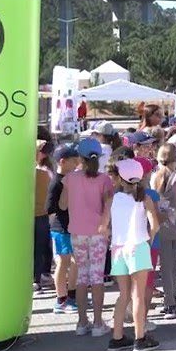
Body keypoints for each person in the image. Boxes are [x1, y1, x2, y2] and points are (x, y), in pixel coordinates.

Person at [104, 158, 160, 351]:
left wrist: (112, 236)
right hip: (138, 246)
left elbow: (103, 227)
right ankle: (140, 338)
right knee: (138, 295)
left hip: (118, 248)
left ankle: (117, 337)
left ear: (120, 178)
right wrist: (149, 239)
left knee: (123, 295)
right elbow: (155, 225)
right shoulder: (145, 199)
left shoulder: (112, 199)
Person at [61, 138, 114, 337]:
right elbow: (109, 204)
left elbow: (63, 205)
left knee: (82, 276)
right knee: (97, 277)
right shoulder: (104, 180)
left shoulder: (70, 178)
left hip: (77, 231)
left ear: (79, 158)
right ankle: (98, 323)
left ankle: (82, 322)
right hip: (98, 232)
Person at [151, 144, 176, 319]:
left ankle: (169, 302)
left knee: (165, 266)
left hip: (162, 223)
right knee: (173, 264)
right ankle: (173, 297)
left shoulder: (156, 176)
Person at [47, 146, 80, 314]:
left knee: (75, 261)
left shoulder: (70, 179)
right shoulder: (56, 182)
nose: (77, 164)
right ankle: (61, 299)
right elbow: (50, 208)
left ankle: (72, 295)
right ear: (63, 162)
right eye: (74, 161)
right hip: (60, 229)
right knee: (63, 262)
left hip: (72, 227)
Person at [34, 141, 55, 292]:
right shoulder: (47, 171)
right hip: (42, 214)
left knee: (39, 247)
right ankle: (39, 276)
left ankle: (38, 277)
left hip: (40, 214)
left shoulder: (44, 172)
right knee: (40, 247)